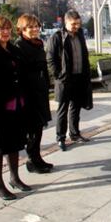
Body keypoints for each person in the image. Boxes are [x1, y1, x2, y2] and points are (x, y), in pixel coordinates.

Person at [0, 15, 31, 200]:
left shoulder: (13, 49)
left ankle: (15, 178)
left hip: (16, 105)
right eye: (1, 29)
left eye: (8, 28)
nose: (5, 32)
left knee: (15, 144)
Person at [46, 10, 93, 151]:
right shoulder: (57, 37)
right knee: (63, 110)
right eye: (73, 24)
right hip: (65, 80)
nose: (76, 26)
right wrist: (59, 76)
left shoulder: (80, 36)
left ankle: (75, 133)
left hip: (79, 78)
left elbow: (84, 55)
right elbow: (50, 59)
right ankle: (60, 138)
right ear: (65, 22)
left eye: (78, 23)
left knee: (75, 108)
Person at [15, 14, 53, 173]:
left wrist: (47, 85)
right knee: (31, 128)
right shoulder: (19, 46)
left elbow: (43, 67)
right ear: (22, 29)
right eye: (30, 27)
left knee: (38, 127)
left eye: (36, 26)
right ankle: (31, 160)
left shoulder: (38, 43)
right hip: (28, 93)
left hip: (40, 91)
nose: (35, 29)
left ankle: (37, 157)